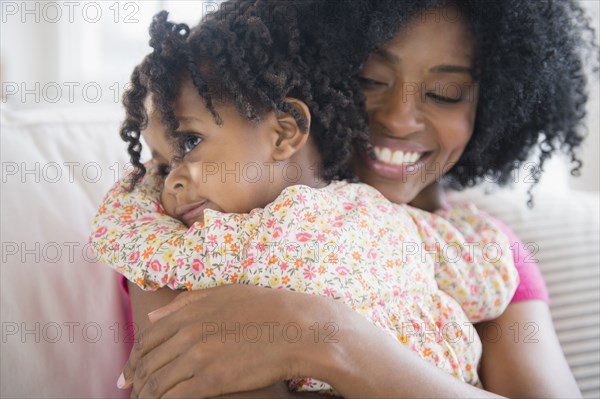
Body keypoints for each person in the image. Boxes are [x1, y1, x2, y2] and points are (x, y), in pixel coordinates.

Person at [108, 0, 596, 397]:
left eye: (445, 93)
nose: (401, 119)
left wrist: (326, 336)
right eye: (369, 81)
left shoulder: (479, 252)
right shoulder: (182, 215)